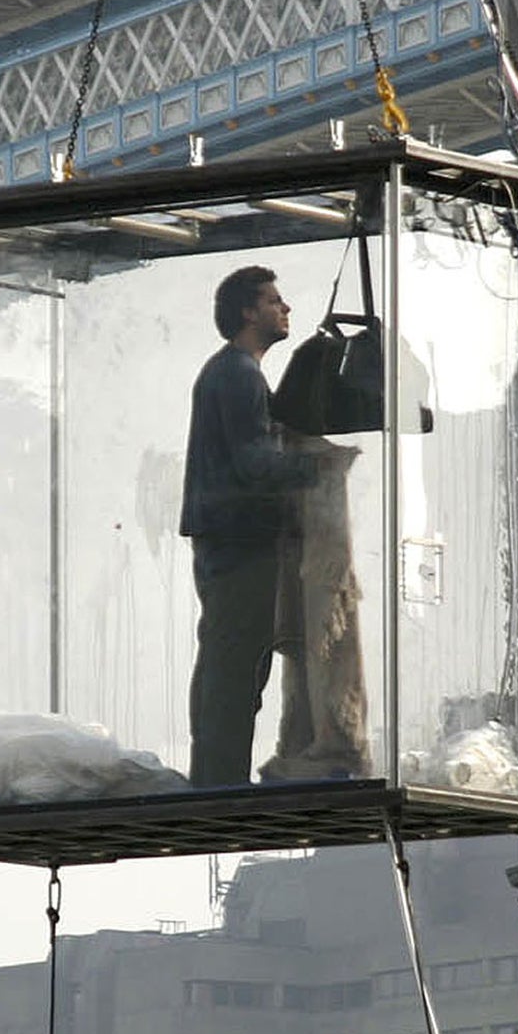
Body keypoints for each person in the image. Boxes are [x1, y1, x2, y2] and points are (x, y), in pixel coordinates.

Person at [178, 265, 327, 788]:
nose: (285, 309)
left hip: (230, 539)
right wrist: (319, 469)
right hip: (239, 541)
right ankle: (219, 783)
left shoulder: (232, 372)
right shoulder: (239, 373)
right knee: (235, 665)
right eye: (273, 301)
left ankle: (219, 778)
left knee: (234, 660)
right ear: (247, 311)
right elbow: (254, 464)